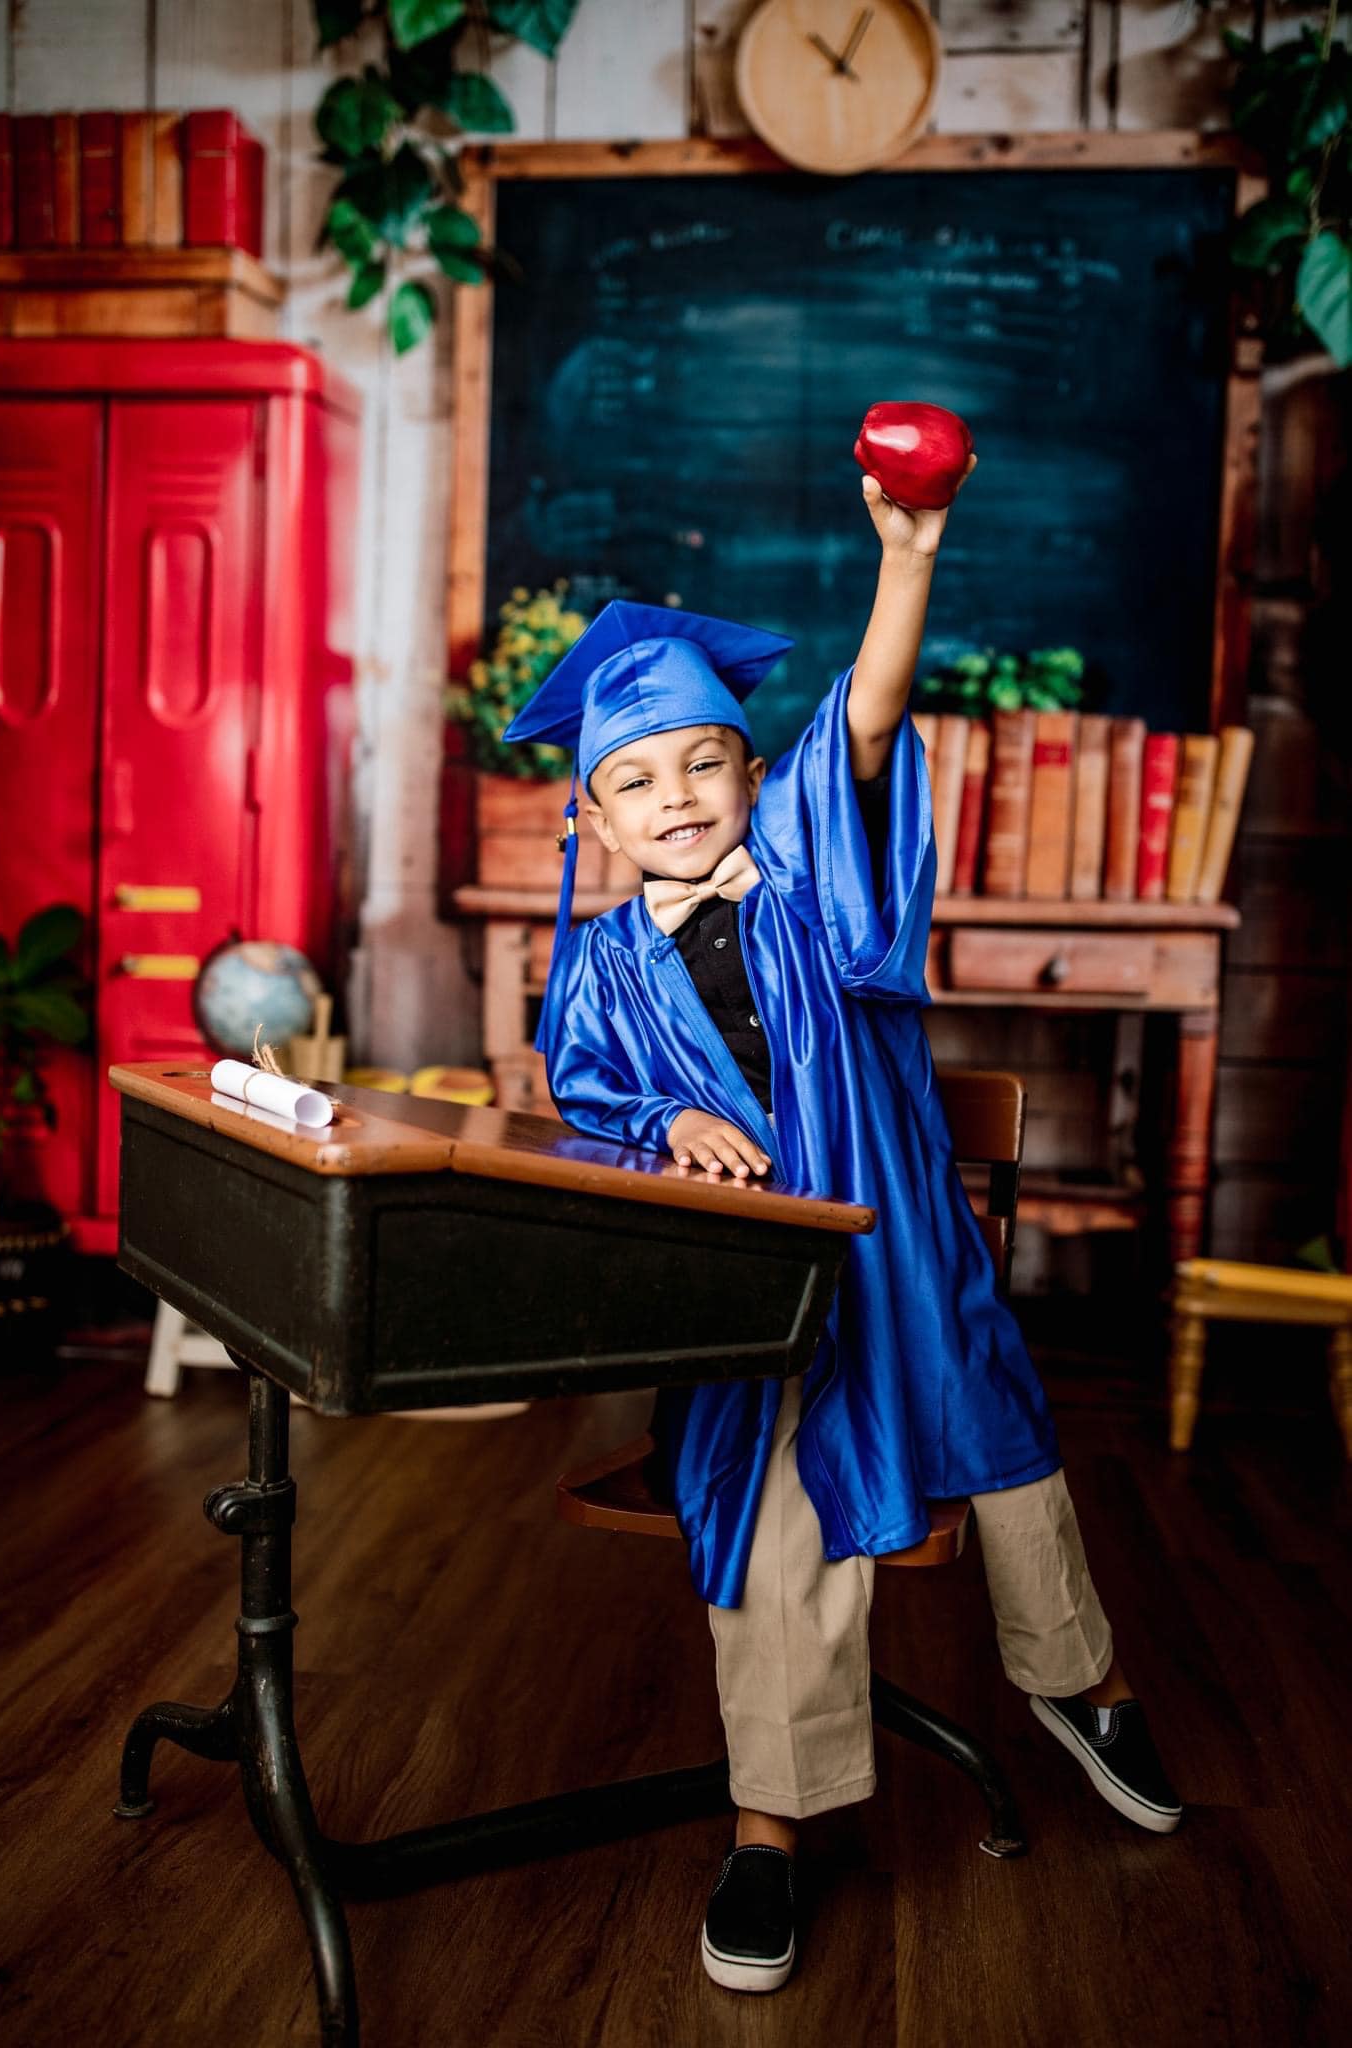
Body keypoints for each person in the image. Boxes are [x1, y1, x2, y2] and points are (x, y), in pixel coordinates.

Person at [503, 460, 1182, 1997]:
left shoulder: (813, 881)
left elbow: (866, 721)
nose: (674, 798)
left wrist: (906, 560)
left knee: (1009, 1472)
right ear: (591, 818)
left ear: (754, 777)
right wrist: (663, 1123)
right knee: (771, 1531)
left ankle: (1087, 1687)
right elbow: (590, 1117)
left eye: (701, 764)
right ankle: (768, 1826)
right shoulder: (602, 969)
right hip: (750, 1313)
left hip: (907, 1279)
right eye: (637, 780)